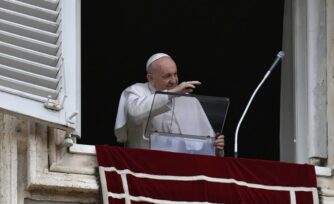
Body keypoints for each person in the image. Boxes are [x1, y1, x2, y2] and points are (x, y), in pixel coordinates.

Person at [114, 53, 225, 156]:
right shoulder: (136, 91)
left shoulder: (190, 101)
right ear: (151, 78)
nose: (174, 80)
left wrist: (215, 147)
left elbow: (206, 144)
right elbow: (134, 113)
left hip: (182, 168)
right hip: (144, 164)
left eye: (175, 74)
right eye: (167, 76)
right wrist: (173, 93)